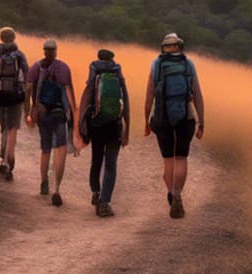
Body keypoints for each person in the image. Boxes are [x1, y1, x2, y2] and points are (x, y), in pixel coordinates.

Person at [144, 32, 204, 219]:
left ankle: (171, 194)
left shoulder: (157, 64)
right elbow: (198, 94)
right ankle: (178, 194)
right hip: (186, 118)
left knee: (168, 160)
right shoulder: (188, 64)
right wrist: (202, 121)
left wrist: (146, 121)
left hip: (163, 118)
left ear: (164, 47)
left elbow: (149, 95)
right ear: (179, 46)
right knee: (181, 158)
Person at [77, 48, 130, 218]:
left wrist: (81, 123)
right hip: (114, 124)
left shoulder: (94, 71)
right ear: (112, 59)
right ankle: (105, 203)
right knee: (111, 164)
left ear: (99, 58)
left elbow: (87, 96)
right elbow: (125, 101)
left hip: (97, 124)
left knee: (97, 159)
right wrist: (126, 126)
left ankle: (96, 192)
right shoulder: (117, 72)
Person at [26, 38, 77, 207]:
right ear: (55, 51)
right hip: (59, 114)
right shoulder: (63, 68)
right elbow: (69, 93)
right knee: (60, 150)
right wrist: (74, 114)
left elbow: (28, 91)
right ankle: (57, 189)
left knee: (45, 150)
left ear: (43, 50)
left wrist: (29, 113)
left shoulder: (35, 68)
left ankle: (43, 182)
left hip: (43, 115)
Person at [0, 26, 30, 181]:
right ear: (14, 37)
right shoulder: (19, 55)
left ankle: (3, 157)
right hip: (16, 95)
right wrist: (28, 95)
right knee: (13, 128)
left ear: (1, 38)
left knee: (4, 127)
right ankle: (8, 162)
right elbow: (27, 74)